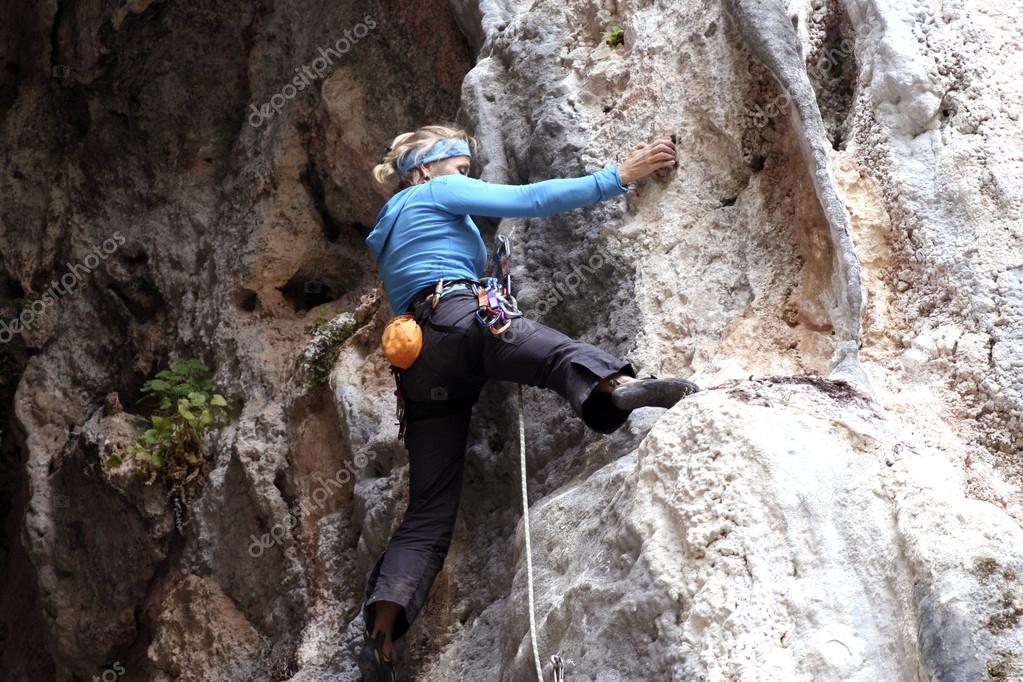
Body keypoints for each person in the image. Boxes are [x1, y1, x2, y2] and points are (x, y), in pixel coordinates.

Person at [356, 123, 699, 681]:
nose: (468, 178)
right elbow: (530, 199)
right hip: (459, 319)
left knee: (428, 513)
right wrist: (620, 177)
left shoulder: (390, 228)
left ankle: (382, 636)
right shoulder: (433, 192)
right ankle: (617, 389)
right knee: (551, 356)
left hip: (418, 363)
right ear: (424, 169)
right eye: (461, 169)